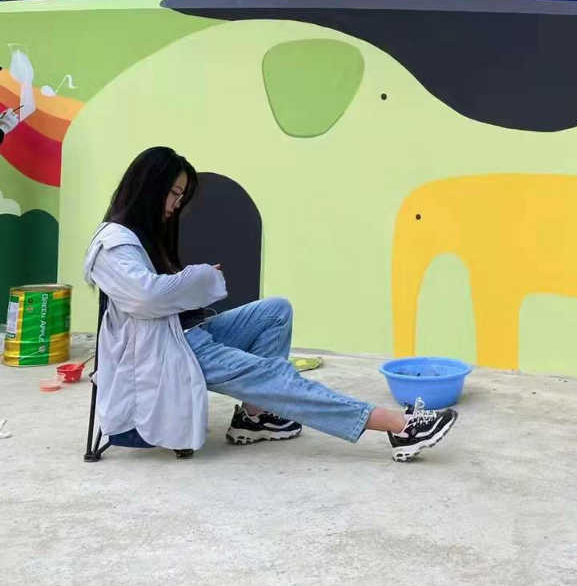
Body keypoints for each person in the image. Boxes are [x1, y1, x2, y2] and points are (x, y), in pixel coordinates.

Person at [83, 146, 457, 462]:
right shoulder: (113, 243)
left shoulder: (139, 235)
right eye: (174, 194)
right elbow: (148, 295)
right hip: (166, 351)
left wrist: (194, 282)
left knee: (275, 312)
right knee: (275, 377)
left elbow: (161, 293)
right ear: (149, 188)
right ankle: (400, 427)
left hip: (182, 334)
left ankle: (255, 417)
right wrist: (200, 278)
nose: (176, 205)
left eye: (181, 196)